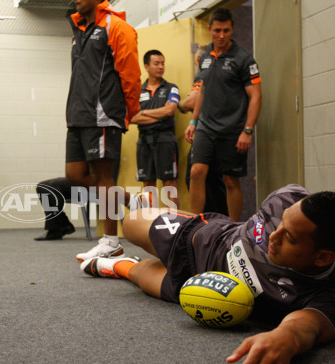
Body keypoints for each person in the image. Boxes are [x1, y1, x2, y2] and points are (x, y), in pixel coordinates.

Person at [80, 184, 335, 364]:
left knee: (140, 274)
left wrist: (285, 339)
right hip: (200, 238)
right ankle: (172, 214)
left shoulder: (333, 297)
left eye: (289, 238)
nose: (273, 237)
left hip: (202, 289)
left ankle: (118, 265)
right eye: (280, 225)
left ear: (323, 256)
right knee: (130, 224)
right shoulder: (288, 197)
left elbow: (304, 327)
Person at [65, 0, 141, 261]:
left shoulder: (117, 27)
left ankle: (111, 242)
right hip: (77, 116)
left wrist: (128, 113)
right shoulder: (79, 31)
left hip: (102, 115)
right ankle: (130, 199)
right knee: (74, 175)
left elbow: (130, 75)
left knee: (103, 176)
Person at [184, 8, 262, 221]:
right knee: (196, 173)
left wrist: (247, 130)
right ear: (209, 29)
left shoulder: (244, 59)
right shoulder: (205, 56)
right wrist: (193, 121)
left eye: (226, 30)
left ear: (232, 29)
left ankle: (233, 228)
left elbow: (256, 97)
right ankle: (195, 225)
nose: (221, 35)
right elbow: (202, 91)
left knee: (230, 180)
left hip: (232, 130)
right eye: (217, 30)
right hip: (206, 128)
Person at [130, 50, 181, 209]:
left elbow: (169, 110)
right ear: (146, 66)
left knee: (169, 183)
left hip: (165, 139)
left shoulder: (172, 88)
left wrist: (143, 112)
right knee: (148, 184)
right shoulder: (137, 90)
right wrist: (159, 115)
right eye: (156, 63)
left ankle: (175, 223)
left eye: (162, 63)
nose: (161, 67)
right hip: (144, 141)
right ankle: (150, 224)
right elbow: (131, 118)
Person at [179, 81, 228, 215]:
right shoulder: (204, 72)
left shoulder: (206, 72)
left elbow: (189, 103)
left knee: (214, 181)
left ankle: (220, 223)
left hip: (214, 131)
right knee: (197, 177)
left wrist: (180, 103)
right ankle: (200, 221)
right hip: (204, 131)